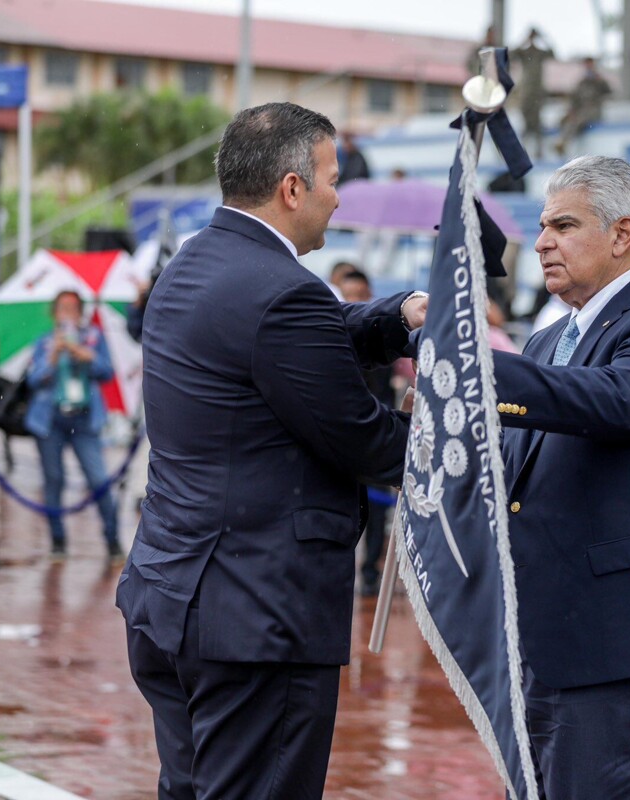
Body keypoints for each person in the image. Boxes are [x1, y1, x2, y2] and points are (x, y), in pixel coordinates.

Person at [115, 102, 427, 800]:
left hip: (175, 598)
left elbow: (288, 334)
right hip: (255, 617)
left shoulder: (194, 262)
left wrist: (394, 316)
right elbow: (368, 442)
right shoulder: (283, 294)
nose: (337, 196)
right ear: (292, 188)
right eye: (331, 178)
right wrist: (486, 445)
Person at [488, 155, 630, 799]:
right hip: (545, 631)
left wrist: (480, 365)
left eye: (563, 225)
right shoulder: (543, 344)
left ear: (622, 234)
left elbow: (616, 400)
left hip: (623, 634)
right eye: (541, 226)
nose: (541, 242)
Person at [25, 290, 121, 562]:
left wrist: (83, 354)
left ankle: (113, 540)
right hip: (50, 420)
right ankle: (57, 541)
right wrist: (54, 356)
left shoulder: (93, 338)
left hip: (85, 418)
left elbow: (106, 371)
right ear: (54, 313)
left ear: (81, 312)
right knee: (54, 480)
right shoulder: (44, 341)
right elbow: (34, 381)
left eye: (73, 308)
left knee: (98, 479)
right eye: (62, 308)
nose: (67, 313)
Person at [336, 267, 397, 598]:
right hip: (343, 437)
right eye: (349, 295)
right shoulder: (326, 338)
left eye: (360, 295)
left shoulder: (380, 334)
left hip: (377, 432)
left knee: (376, 513)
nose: (355, 301)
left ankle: (370, 570)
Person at [513, 28, 555, 158]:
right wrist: (524, 39)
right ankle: (523, 149)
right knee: (526, 119)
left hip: (537, 91)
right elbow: (511, 54)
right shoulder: (524, 52)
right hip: (526, 90)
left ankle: (538, 151)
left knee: (537, 122)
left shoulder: (540, 53)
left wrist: (543, 38)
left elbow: (553, 54)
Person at [555, 58, 611, 155]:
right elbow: (574, 98)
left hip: (593, 111)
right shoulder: (582, 83)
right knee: (565, 119)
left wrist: (599, 80)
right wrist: (571, 111)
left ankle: (564, 142)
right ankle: (561, 142)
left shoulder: (598, 81)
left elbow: (608, 91)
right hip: (581, 111)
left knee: (578, 120)